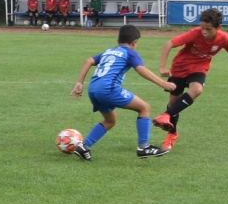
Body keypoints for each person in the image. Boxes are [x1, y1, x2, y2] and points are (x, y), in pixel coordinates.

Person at [154, 7, 228, 151]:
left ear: (218, 27)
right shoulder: (195, 33)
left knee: (197, 89)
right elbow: (169, 44)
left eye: (208, 29)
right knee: (173, 103)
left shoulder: (224, 39)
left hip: (199, 69)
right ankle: (172, 133)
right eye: (202, 28)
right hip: (180, 68)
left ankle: (166, 116)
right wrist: (162, 66)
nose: (204, 32)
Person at [68, 24, 174, 160]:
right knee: (144, 108)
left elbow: (88, 60)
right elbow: (141, 69)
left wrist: (79, 83)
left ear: (118, 40)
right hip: (108, 89)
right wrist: (163, 83)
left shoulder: (109, 51)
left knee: (110, 120)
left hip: (93, 90)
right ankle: (143, 147)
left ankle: (84, 146)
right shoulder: (130, 52)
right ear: (134, 42)